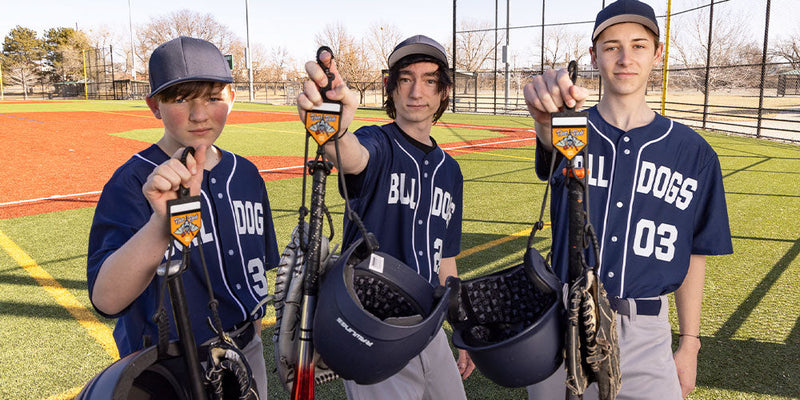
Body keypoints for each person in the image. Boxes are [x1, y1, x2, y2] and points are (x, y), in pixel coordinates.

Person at [522, 0, 733, 399]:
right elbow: (553, 139)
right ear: (594, 56)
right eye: (611, 46)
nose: (625, 58)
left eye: (638, 45)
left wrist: (689, 343)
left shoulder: (693, 152)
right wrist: (544, 120)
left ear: (658, 53)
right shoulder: (574, 129)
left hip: (646, 330)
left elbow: (694, 254)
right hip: (565, 320)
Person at [86, 36, 279, 399]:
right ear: (154, 106)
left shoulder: (247, 174)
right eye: (179, 98)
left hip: (244, 350)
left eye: (212, 97)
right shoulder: (133, 182)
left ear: (231, 99)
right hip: (165, 366)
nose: (199, 114)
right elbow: (106, 300)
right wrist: (162, 224)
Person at [297, 34, 475, 400]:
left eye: (429, 80)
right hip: (372, 327)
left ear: (444, 92)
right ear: (390, 89)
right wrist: (332, 127)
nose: (416, 91)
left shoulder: (450, 172)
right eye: (406, 78)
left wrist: (461, 328)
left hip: (428, 327)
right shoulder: (378, 143)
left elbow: (446, 257)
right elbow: (350, 155)